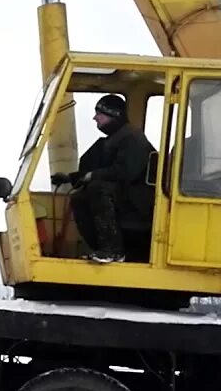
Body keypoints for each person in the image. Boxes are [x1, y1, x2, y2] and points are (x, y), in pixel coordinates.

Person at [51, 94, 158, 264]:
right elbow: (97, 168)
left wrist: (93, 176)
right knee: (79, 198)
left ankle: (114, 250)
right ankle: (102, 248)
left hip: (139, 201)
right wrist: (69, 178)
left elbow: (125, 172)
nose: (95, 118)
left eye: (99, 113)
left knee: (98, 189)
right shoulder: (111, 141)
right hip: (124, 196)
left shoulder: (132, 138)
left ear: (113, 114)